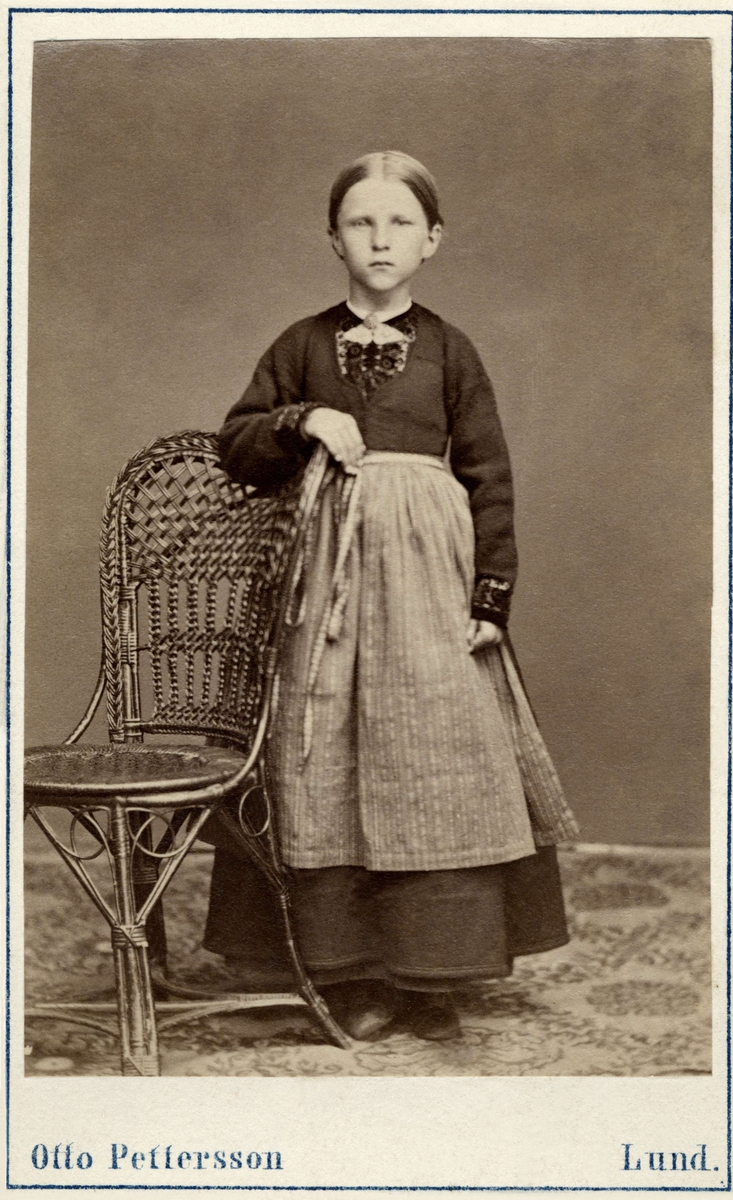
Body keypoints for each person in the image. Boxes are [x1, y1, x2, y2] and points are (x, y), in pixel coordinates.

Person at [204, 151, 579, 1042]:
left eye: (399, 222)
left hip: (424, 585)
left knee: (431, 759)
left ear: (431, 240)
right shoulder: (299, 345)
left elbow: (489, 477)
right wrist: (301, 419)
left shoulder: (451, 350)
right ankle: (343, 972)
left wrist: (488, 599)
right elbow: (235, 445)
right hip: (320, 589)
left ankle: (430, 971)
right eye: (360, 222)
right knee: (320, 759)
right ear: (333, 239)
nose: (380, 239)